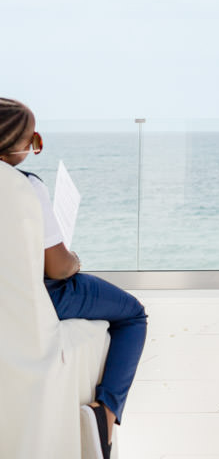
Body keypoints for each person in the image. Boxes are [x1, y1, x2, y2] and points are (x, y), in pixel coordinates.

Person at [1, 98, 148, 459]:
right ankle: (107, 415)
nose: (34, 148)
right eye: (34, 141)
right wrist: (74, 259)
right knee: (132, 315)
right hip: (41, 294)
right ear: (18, 144)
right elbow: (58, 268)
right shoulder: (25, 187)